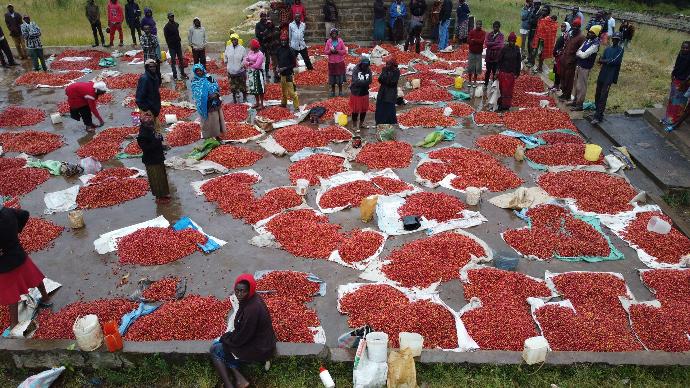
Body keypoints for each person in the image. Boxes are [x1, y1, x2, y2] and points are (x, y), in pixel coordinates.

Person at [211, 274, 277, 388]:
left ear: (250, 290)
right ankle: (240, 379)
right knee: (222, 345)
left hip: (259, 348)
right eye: (237, 291)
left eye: (243, 291)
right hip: (258, 341)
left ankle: (228, 385)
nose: (239, 294)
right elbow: (243, 331)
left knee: (215, 349)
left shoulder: (252, 309)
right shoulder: (253, 299)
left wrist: (226, 338)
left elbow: (242, 337)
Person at [1, 206, 54, 338]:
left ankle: (14, 324)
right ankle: (46, 299)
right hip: (18, 253)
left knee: (10, 292)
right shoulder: (7, 212)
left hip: (4, 263)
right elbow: (25, 214)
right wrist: (18, 230)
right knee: (34, 276)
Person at [136, 111, 170, 204]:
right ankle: (159, 197)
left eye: (150, 117)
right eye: (146, 118)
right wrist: (157, 140)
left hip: (158, 157)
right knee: (156, 179)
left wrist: (162, 144)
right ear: (142, 121)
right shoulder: (142, 135)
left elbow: (158, 138)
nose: (149, 119)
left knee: (162, 176)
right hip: (151, 160)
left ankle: (164, 193)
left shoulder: (151, 128)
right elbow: (146, 148)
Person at [591, 33, 624, 125]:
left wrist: (604, 61)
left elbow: (615, 61)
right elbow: (600, 59)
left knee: (603, 96)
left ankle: (598, 116)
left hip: (610, 76)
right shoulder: (607, 49)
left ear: (619, 41)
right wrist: (605, 61)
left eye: (617, 39)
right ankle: (598, 113)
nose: (615, 41)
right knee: (597, 94)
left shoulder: (620, 50)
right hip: (602, 74)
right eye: (614, 39)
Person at [191, 63, 226, 141]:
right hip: (204, 105)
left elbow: (216, 86)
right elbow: (196, 93)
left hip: (214, 102)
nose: (199, 72)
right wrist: (206, 97)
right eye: (197, 71)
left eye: (200, 70)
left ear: (203, 70)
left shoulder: (209, 77)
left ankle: (217, 135)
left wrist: (215, 94)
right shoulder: (194, 81)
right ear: (195, 72)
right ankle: (207, 136)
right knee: (206, 121)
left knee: (215, 119)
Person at [569, 25, 600, 111]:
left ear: (596, 35)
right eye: (589, 32)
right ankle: (575, 101)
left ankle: (579, 104)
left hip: (585, 67)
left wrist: (580, 53)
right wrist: (580, 53)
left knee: (581, 86)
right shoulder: (587, 41)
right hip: (579, 65)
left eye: (592, 33)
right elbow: (578, 51)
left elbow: (584, 55)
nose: (589, 33)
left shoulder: (595, 45)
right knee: (575, 84)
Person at [662, 41, 690, 127]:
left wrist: (685, 82)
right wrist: (672, 75)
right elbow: (676, 65)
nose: (684, 49)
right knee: (672, 100)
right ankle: (667, 117)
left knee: (679, 102)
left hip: (683, 82)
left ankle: (674, 119)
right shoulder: (680, 54)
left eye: (687, 48)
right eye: (683, 47)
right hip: (676, 79)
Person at [558, 19, 584, 102]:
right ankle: (563, 93)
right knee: (563, 77)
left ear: (579, 27)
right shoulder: (571, 34)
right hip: (564, 59)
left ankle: (567, 95)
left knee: (569, 79)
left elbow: (581, 50)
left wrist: (574, 60)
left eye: (577, 26)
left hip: (571, 61)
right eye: (574, 26)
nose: (575, 28)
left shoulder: (581, 37)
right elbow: (566, 46)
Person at [497, 32, 521, 111]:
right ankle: (501, 104)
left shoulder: (517, 49)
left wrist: (517, 72)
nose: (512, 43)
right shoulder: (504, 49)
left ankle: (506, 105)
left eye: (513, 41)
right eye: (511, 41)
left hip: (511, 74)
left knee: (509, 90)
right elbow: (499, 60)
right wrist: (498, 71)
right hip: (503, 73)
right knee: (502, 89)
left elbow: (518, 61)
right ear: (508, 41)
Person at [136, 59, 162, 130]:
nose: (153, 68)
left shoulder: (155, 76)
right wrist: (145, 109)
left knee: (156, 129)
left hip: (154, 106)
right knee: (149, 130)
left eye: (154, 66)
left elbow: (157, 89)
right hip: (148, 109)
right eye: (150, 67)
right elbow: (139, 96)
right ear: (147, 68)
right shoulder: (145, 79)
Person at [531, 6, 558, 73]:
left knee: (541, 54)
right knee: (535, 52)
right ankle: (534, 65)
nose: (543, 12)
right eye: (543, 10)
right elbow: (538, 27)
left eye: (545, 10)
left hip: (544, 40)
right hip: (538, 38)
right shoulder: (540, 18)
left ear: (548, 12)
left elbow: (552, 28)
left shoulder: (549, 19)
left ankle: (540, 67)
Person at [276, 34, 299, 110]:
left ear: (287, 41)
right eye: (282, 40)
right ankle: (283, 103)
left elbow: (294, 64)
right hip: (282, 74)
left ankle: (296, 106)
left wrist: (285, 68)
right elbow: (278, 60)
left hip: (289, 74)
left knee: (292, 92)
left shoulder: (290, 50)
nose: (283, 42)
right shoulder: (279, 49)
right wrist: (278, 67)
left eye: (284, 40)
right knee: (283, 91)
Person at [375, 57, 400, 125]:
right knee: (380, 106)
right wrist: (386, 79)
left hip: (391, 92)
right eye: (387, 64)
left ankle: (389, 122)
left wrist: (385, 79)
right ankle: (380, 122)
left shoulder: (396, 71)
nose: (387, 66)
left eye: (389, 64)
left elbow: (393, 83)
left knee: (389, 107)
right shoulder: (384, 69)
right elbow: (380, 79)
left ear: (393, 65)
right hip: (382, 91)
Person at [350, 56, 372, 130]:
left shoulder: (368, 70)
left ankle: (361, 124)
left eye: (366, 65)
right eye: (363, 65)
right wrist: (365, 82)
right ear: (360, 64)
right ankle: (354, 125)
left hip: (365, 92)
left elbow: (370, 81)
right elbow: (356, 81)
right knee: (355, 110)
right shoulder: (355, 69)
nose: (365, 66)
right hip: (356, 92)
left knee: (364, 110)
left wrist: (363, 83)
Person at [225, 33, 248, 103]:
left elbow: (245, 58)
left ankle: (244, 97)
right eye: (232, 40)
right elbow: (225, 56)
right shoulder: (228, 48)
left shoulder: (242, 48)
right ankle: (234, 98)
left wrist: (241, 65)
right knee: (233, 87)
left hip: (240, 71)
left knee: (243, 86)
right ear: (231, 41)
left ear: (237, 40)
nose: (234, 41)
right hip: (231, 71)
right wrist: (226, 61)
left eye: (235, 40)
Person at [164, 12, 187, 80]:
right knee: (173, 61)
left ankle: (182, 73)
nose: (172, 18)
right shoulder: (166, 27)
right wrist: (170, 45)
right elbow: (166, 38)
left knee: (181, 60)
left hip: (178, 45)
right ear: (168, 18)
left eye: (173, 16)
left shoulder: (176, 24)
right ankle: (175, 75)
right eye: (170, 17)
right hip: (172, 47)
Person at [324, 28, 347, 97]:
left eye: (335, 34)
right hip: (331, 63)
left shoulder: (340, 41)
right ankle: (333, 91)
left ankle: (340, 91)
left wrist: (337, 51)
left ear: (337, 35)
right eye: (332, 34)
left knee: (340, 78)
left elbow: (344, 51)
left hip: (339, 62)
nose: (334, 35)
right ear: (330, 35)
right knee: (332, 78)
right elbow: (325, 51)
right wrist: (330, 52)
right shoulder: (328, 42)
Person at [244, 39, 266, 110]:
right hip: (251, 73)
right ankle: (257, 102)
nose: (250, 47)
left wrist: (249, 64)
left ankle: (262, 104)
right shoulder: (251, 52)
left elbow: (257, 65)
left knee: (260, 89)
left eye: (251, 46)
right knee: (254, 89)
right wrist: (249, 63)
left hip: (258, 73)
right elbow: (245, 60)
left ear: (255, 47)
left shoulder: (260, 54)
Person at [550, 21, 570, 92]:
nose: (562, 27)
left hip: (560, 56)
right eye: (561, 26)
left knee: (559, 71)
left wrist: (558, 52)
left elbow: (565, 46)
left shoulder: (567, 36)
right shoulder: (562, 34)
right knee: (555, 70)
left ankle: (558, 86)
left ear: (567, 27)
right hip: (557, 56)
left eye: (564, 26)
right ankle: (555, 84)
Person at [484, 21, 504, 88]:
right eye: (494, 27)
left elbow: (500, 46)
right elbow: (486, 43)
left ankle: (493, 85)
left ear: (499, 27)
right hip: (489, 56)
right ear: (493, 27)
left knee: (494, 72)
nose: (495, 28)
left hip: (496, 57)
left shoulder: (501, 35)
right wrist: (495, 43)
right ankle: (485, 84)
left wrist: (491, 44)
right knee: (488, 71)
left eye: (497, 27)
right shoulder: (489, 34)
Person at [466, 20, 485, 87]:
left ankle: (474, 81)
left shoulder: (483, 33)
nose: (478, 26)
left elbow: (481, 41)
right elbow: (468, 41)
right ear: (475, 25)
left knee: (477, 67)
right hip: (472, 52)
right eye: (477, 24)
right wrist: (476, 41)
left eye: (480, 24)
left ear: (481, 25)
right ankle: (470, 80)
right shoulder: (472, 32)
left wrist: (474, 40)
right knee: (470, 67)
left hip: (479, 53)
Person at [526, 0, 541, 67]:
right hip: (531, 30)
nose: (536, 6)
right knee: (529, 45)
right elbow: (529, 20)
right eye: (535, 4)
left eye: (537, 4)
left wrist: (532, 20)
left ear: (539, 5)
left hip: (536, 31)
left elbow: (535, 22)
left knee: (533, 46)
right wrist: (532, 20)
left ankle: (532, 62)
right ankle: (529, 58)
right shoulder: (533, 11)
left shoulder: (540, 12)